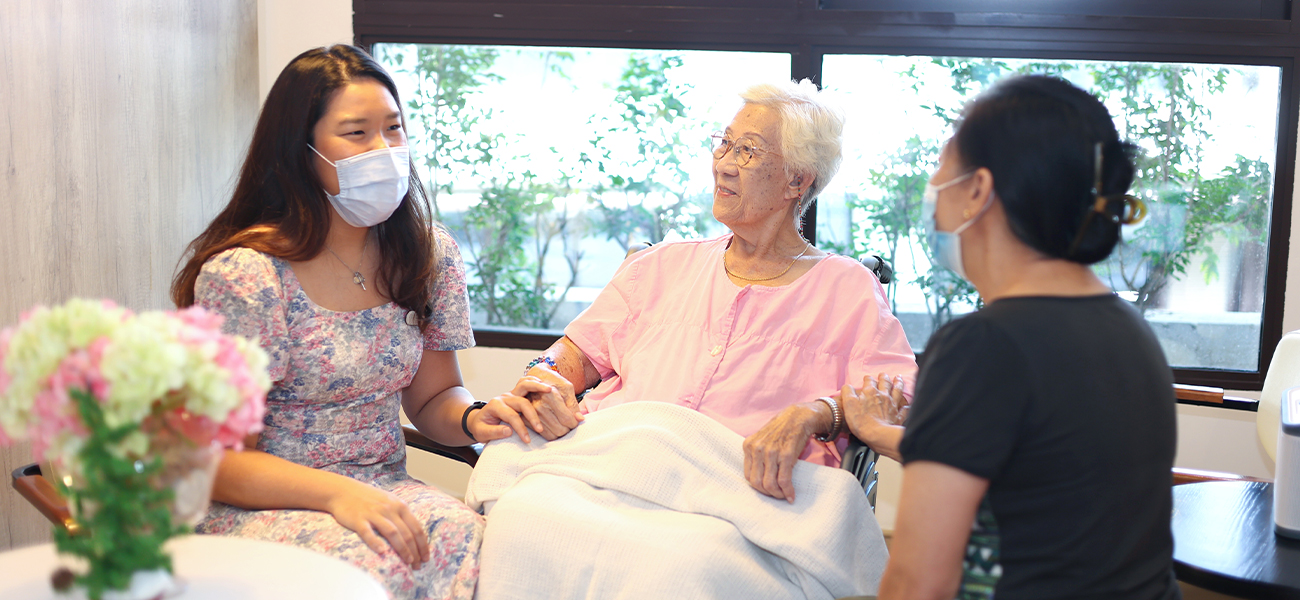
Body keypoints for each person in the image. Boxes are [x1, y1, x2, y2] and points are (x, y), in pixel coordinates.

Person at [171, 45, 540, 600]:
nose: (384, 151)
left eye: (393, 129)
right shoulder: (247, 277)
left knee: (481, 543)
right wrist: (337, 495)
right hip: (263, 504)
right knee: (370, 571)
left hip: (384, 490)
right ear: (300, 151)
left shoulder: (427, 255)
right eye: (356, 133)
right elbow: (218, 463)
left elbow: (434, 397)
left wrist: (475, 418)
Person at [844, 75, 1180, 600]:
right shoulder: (1127, 328)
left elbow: (918, 583)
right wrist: (879, 433)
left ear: (977, 190)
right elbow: (1035, 470)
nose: (932, 187)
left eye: (942, 166)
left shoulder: (984, 347)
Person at [502, 79, 917, 501]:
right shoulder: (660, 265)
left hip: (741, 495)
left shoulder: (847, 288)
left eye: (747, 150)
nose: (724, 164)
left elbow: (899, 395)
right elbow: (573, 355)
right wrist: (545, 375)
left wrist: (816, 414)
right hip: (606, 470)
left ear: (796, 180)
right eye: (725, 143)